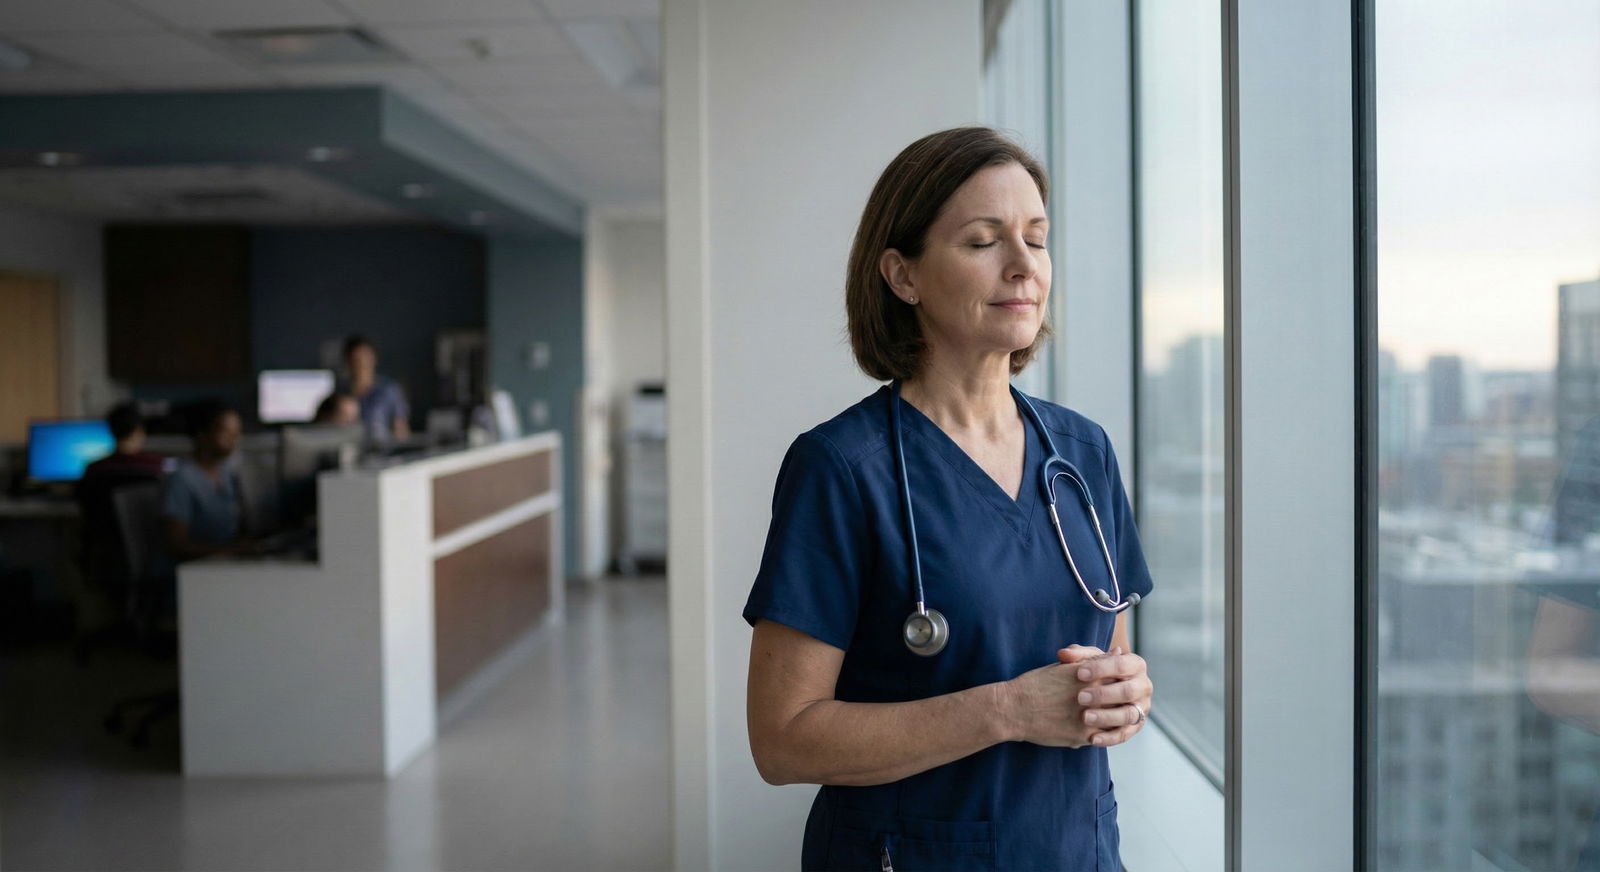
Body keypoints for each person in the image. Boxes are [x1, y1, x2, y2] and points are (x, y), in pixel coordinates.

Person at [743, 127, 1156, 871]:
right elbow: (782, 740)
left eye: (1037, 237)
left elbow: (1109, 648)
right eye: (982, 241)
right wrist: (1006, 710)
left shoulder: (1082, 454)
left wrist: (1122, 688)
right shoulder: (839, 470)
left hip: (1076, 849)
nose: (1024, 265)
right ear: (904, 276)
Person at [77, 402, 166, 591]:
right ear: (140, 430)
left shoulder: (93, 470)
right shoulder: (156, 467)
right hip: (148, 550)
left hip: (105, 551)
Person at [162, 401, 253, 561]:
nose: (234, 440)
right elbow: (176, 545)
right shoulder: (182, 479)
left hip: (221, 563)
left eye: (236, 433)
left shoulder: (225, 472)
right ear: (202, 433)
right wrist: (230, 550)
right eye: (226, 433)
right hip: (193, 571)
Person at [341, 334, 410, 442]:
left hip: (381, 453)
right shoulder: (341, 392)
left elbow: (400, 428)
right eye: (356, 359)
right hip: (350, 451)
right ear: (348, 362)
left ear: (373, 358)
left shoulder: (389, 389)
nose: (362, 364)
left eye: (365, 358)